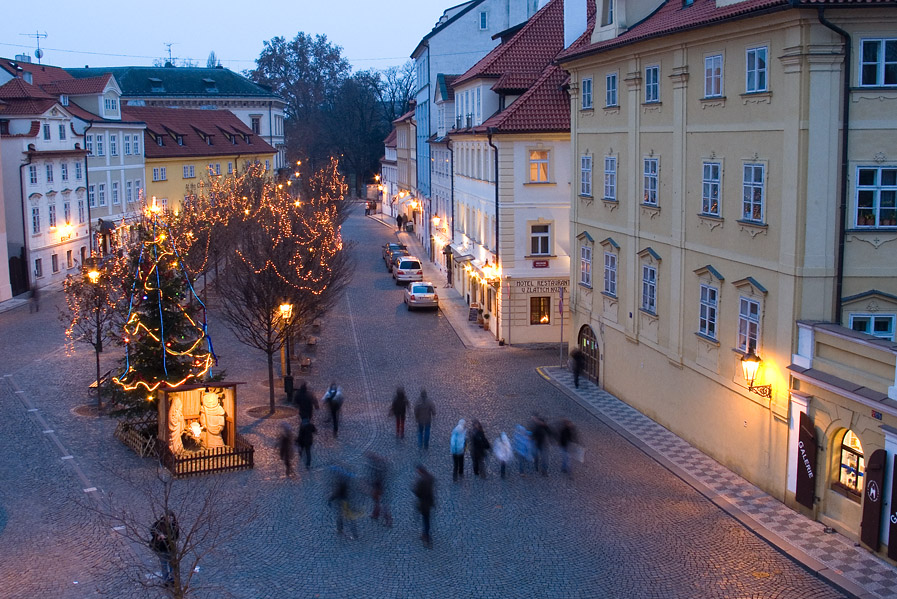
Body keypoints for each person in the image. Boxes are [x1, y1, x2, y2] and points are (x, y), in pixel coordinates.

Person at [328, 466, 359, 539]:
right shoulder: (347, 480)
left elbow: (336, 493)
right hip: (347, 500)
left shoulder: (340, 484)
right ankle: (342, 529)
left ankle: (344, 530)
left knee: (343, 517)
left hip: (342, 502)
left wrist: (330, 499)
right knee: (346, 517)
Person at [150, 510, 179, 587]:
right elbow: (152, 530)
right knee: (164, 565)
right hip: (161, 548)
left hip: (171, 548)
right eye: (168, 517)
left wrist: (170, 538)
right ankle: (165, 580)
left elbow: (176, 536)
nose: (169, 519)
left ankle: (173, 580)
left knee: (172, 565)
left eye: (170, 517)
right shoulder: (159, 524)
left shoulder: (174, 525)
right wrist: (158, 536)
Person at [365, 452, 393, 527]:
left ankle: (388, 520)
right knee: (377, 501)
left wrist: (370, 483)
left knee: (382, 503)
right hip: (379, 486)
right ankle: (376, 514)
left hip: (379, 486)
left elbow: (376, 477)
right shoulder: (379, 465)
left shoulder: (377, 467)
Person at [413, 465, 436, 548]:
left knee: (425, 519)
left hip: (424, 503)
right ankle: (425, 533)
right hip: (429, 502)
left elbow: (418, 493)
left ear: (420, 471)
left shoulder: (421, 481)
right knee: (427, 518)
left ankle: (426, 535)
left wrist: (415, 488)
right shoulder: (431, 478)